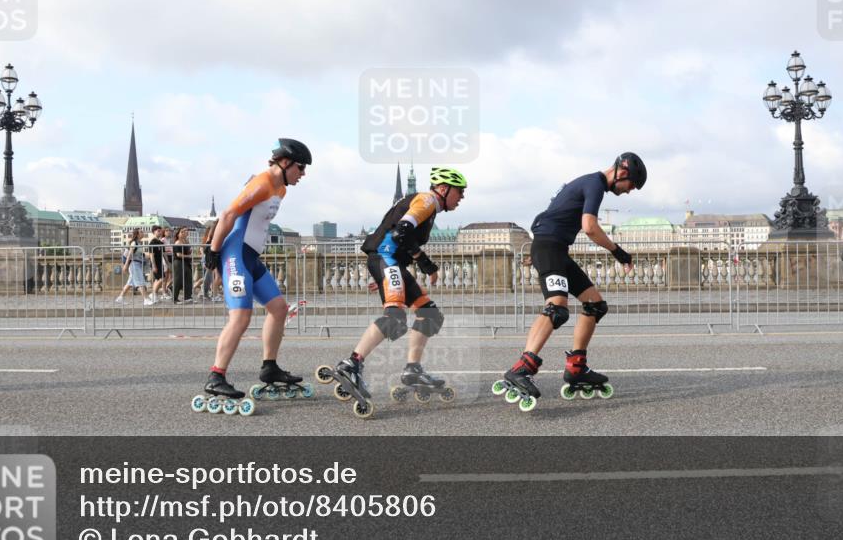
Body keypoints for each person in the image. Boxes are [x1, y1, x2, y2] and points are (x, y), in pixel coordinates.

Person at [497, 152, 647, 411]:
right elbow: (589, 226)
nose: (629, 192)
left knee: (595, 305)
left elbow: (554, 211)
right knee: (557, 309)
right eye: (631, 185)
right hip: (549, 248)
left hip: (554, 248)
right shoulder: (595, 184)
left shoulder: (587, 183)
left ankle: (576, 367)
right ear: (622, 173)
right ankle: (522, 368)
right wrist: (617, 251)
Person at [320, 167, 467, 418]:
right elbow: (401, 232)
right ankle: (351, 364)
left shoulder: (429, 206)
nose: (461, 197)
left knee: (429, 314)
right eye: (459, 192)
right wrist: (424, 262)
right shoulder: (427, 200)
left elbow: (398, 237)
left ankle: (413, 369)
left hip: (391, 263)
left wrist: (386, 275)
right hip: (386, 258)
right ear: (444, 189)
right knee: (395, 318)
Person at [197, 138, 311, 410]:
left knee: (279, 308)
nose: (303, 174)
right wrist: (213, 252)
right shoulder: (261, 183)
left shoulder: (281, 189)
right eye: (301, 167)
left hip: (251, 257)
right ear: (284, 163)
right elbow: (227, 214)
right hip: (235, 255)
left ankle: (269, 367)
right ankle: (216, 375)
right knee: (241, 317)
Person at [115, 228, 153, 306]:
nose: (143, 233)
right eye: (141, 232)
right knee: (140, 282)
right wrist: (125, 265)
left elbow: (138, 254)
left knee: (130, 283)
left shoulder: (139, 243)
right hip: (134, 264)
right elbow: (130, 254)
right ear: (137, 234)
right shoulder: (134, 243)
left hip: (137, 264)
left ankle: (120, 298)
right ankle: (146, 299)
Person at [171, 226, 194, 304]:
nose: (185, 232)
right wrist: (189, 256)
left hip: (186, 262)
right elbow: (178, 255)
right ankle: (175, 299)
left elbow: (188, 251)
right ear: (178, 234)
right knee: (178, 280)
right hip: (178, 262)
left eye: (186, 231)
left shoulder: (186, 241)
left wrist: (190, 251)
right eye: (183, 231)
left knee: (188, 278)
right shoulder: (177, 242)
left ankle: (188, 297)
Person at [148, 225, 165, 303]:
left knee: (158, 279)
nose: (160, 232)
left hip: (160, 262)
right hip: (155, 263)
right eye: (158, 231)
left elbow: (163, 254)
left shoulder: (160, 242)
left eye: (160, 231)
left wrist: (167, 263)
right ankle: (153, 294)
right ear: (154, 232)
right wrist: (154, 265)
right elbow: (151, 255)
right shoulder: (153, 242)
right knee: (161, 279)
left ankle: (154, 295)